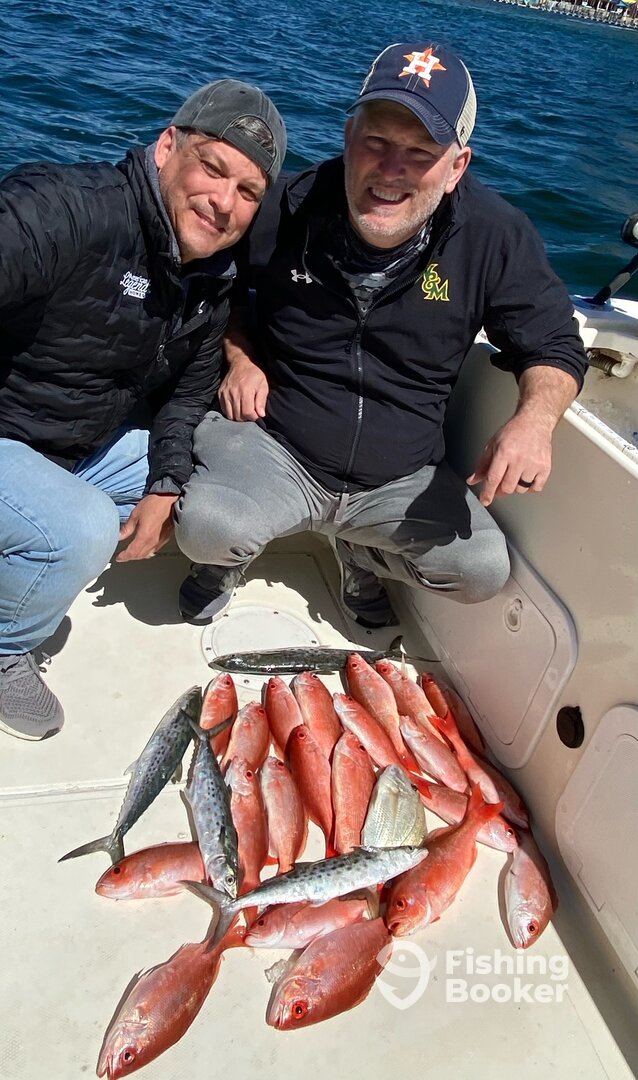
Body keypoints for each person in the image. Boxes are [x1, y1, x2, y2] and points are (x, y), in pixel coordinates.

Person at [174, 41, 588, 631]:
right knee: (208, 528)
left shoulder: (495, 236)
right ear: (348, 138)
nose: (391, 172)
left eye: (420, 153)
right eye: (376, 143)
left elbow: (554, 343)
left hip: (403, 475)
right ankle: (225, 563)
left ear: (456, 168)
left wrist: (535, 421)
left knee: (480, 571)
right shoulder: (284, 208)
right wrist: (240, 357)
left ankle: (361, 554)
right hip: (278, 442)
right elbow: (221, 291)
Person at [0, 78, 287, 741]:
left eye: (247, 192)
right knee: (85, 527)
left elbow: (186, 399)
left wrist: (163, 486)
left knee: (202, 472)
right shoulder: (74, 209)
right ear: (166, 148)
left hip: (68, 443)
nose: (223, 202)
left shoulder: (212, 279)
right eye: (213, 168)